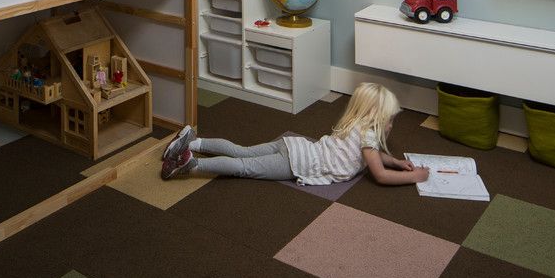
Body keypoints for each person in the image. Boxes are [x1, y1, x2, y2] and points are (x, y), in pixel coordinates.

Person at [160, 83, 430, 186]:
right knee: (243, 167)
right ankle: (189, 164)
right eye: (390, 120)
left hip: (293, 146)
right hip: (296, 162)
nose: (392, 125)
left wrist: (394, 160)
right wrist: (413, 176)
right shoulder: (369, 137)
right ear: (375, 118)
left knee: (243, 150)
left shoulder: (357, 126)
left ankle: (192, 141)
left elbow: (375, 157)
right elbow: (379, 175)